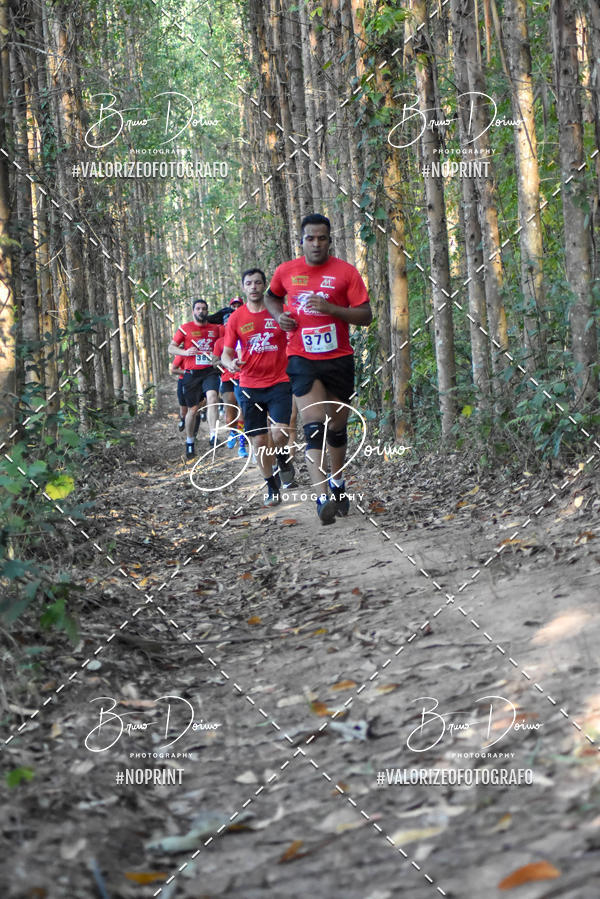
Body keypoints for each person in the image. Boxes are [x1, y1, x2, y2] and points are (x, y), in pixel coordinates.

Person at [264, 213, 372, 525]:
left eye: (321, 238)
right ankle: (322, 495)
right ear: (302, 241)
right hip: (301, 358)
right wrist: (278, 317)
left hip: (338, 359)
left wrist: (332, 310)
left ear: (329, 240)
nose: (315, 243)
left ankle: (338, 484)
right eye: (310, 238)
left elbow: (365, 315)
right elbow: (273, 298)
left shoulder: (345, 273)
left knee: (337, 428)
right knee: (313, 426)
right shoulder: (286, 271)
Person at [222, 268, 296, 506]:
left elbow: (294, 336)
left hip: (279, 381)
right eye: (249, 283)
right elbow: (226, 353)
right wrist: (230, 363)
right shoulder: (236, 318)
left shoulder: (278, 312)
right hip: (249, 385)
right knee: (259, 442)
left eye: (258, 283)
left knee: (280, 433)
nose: (253, 287)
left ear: (264, 286)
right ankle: (272, 486)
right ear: (243, 288)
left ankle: (283, 456)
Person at [168, 299, 221, 459]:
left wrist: (217, 356)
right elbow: (171, 347)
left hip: (209, 371)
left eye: (204, 309)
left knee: (213, 397)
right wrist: (185, 353)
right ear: (193, 312)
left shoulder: (216, 329)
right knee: (193, 410)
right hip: (191, 374)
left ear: (207, 311)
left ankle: (213, 434)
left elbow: (226, 344)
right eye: (198, 309)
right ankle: (190, 440)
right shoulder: (185, 329)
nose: (201, 311)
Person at [211, 332, 248, 458]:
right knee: (230, 415)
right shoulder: (220, 342)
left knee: (242, 411)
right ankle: (233, 431)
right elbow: (214, 362)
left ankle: (242, 446)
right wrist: (226, 362)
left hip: (242, 378)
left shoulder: (245, 338)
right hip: (227, 379)